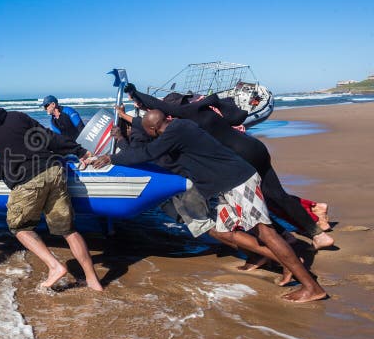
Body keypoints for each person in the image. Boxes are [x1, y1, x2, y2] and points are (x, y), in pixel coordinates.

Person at [87, 110, 327, 303]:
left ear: (152, 129)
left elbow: (150, 152)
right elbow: (154, 150)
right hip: (227, 186)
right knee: (224, 232)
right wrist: (122, 136)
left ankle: (311, 286)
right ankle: (288, 265)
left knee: (265, 231)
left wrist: (112, 157)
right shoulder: (180, 127)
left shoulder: (175, 133)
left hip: (238, 181)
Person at [125, 85, 334, 250]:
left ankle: (286, 238)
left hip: (242, 158)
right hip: (254, 147)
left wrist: (135, 93)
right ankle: (317, 234)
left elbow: (166, 111)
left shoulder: (186, 116)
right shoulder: (207, 109)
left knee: (255, 202)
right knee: (277, 195)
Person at [0, 88, 103, 291]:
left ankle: (55, 266)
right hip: (54, 170)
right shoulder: (17, 117)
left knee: (19, 227)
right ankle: (93, 280)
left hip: (27, 182)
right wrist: (79, 151)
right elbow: (49, 138)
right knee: (68, 229)